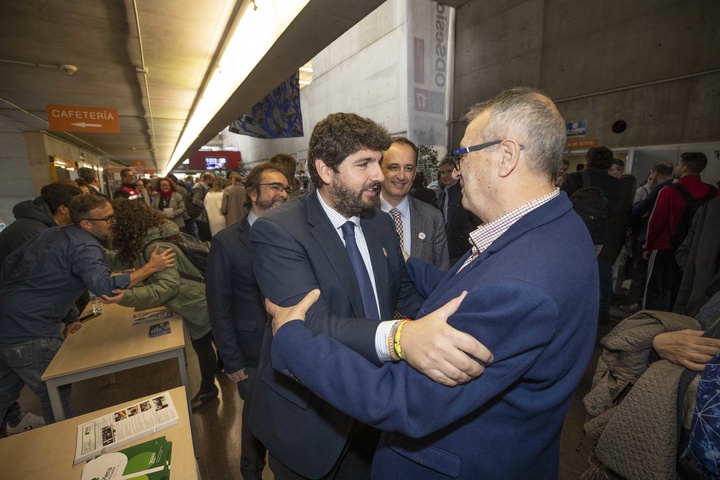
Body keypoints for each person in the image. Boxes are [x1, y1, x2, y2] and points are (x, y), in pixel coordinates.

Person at [267, 87, 598, 479]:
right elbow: (469, 287)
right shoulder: (557, 228)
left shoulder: (523, 281)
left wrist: (291, 337)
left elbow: (399, 397)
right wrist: (408, 267)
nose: (456, 171)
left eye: (463, 155)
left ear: (505, 157)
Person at [249, 112, 489, 480]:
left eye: (377, 162)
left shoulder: (378, 222)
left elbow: (405, 292)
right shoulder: (278, 231)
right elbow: (309, 325)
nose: (378, 175)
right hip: (310, 420)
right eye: (364, 164)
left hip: (374, 410)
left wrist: (469, 312)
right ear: (326, 171)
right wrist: (401, 338)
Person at [0, 194, 175, 425]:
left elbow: (38, 275)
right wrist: (149, 269)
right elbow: (104, 287)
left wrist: (70, 315)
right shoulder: (84, 245)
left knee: (4, 393)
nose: (114, 222)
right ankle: (61, 450)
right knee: (55, 393)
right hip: (31, 329)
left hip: (7, 322)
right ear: (86, 224)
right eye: (108, 219)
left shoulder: (55, 233)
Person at [206, 162, 291, 480]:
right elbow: (219, 306)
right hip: (251, 354)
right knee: (256, 421)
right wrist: (231, 360)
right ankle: (250, 472)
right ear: (253, 194)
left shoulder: (293, 235)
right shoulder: (227, 243)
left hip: (291, 349)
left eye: (286, 188)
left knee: (287, 417)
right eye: (275, 187)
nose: (283, 193)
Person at [106, 199, 219, 409]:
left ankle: (208, 389)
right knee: (213, 339)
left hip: (194, 303)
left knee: (203, 345)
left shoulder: (155, 248)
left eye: (111, 220)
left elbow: (168, 287)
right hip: (196, 296)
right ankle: (221, 368)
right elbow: (126, 260)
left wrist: (127, 296)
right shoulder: (151, 236)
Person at [643, 152, 719, 311]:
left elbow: (656, 221)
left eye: (678, 165)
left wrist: (648, 246)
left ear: (684, 167)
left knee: (655, 292)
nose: (676, 168)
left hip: (666, 247)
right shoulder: (713, 192)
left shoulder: (669, 190)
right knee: (682, 293)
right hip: (696, 252)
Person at [379, 137, 449, 269]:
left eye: (408, 168)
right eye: (394, 167)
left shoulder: (432, 218)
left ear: (415, 173)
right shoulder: (361, 216)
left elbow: (442, 276)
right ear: (380, 169)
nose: (401, 176)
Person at [0, 182, 82, 264]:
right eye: (79, 208)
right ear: (63, 209)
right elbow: (41, 268)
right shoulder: (32, 231)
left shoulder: (47, 225)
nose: (84, 212)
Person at [437, 156, 477, 265]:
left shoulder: (464, 193)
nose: (445, 175)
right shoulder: (441, 195)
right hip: (448, 250)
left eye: (449, 171)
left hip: (464, 250)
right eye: (442, 172)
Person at [190, 172, 214, 241]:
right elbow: (196, 200)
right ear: (208, 180)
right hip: (200, 215)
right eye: (212, 180)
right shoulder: (199, 187)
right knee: (204, 234)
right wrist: (207, 204)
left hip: (202, 216)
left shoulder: (203, 187)